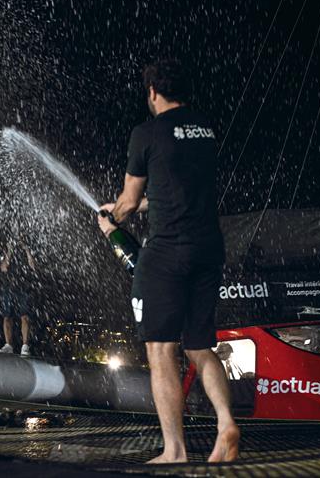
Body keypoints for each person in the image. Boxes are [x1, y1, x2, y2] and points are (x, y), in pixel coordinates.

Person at [97, 60, 240, 463]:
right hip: (208, 249)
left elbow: (128, 200)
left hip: (166, 253)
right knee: (199, 345)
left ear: (153, 92)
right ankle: (226, 421)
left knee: (161, 351)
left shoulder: (146, 133)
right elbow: (173, 190)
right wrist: (140, 206)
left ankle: (174, 450)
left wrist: (112, 219)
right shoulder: (205, 130)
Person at [0, 237, 37, 356]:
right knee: (7, 317)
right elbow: (4, 267)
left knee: (25, 317)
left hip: (24, 287)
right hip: (8, 287)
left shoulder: (28, 250)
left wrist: (27, 250)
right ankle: (8, 345)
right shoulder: (6, 251)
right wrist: (9, 250)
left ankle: (25, 346)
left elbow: (33, 266)